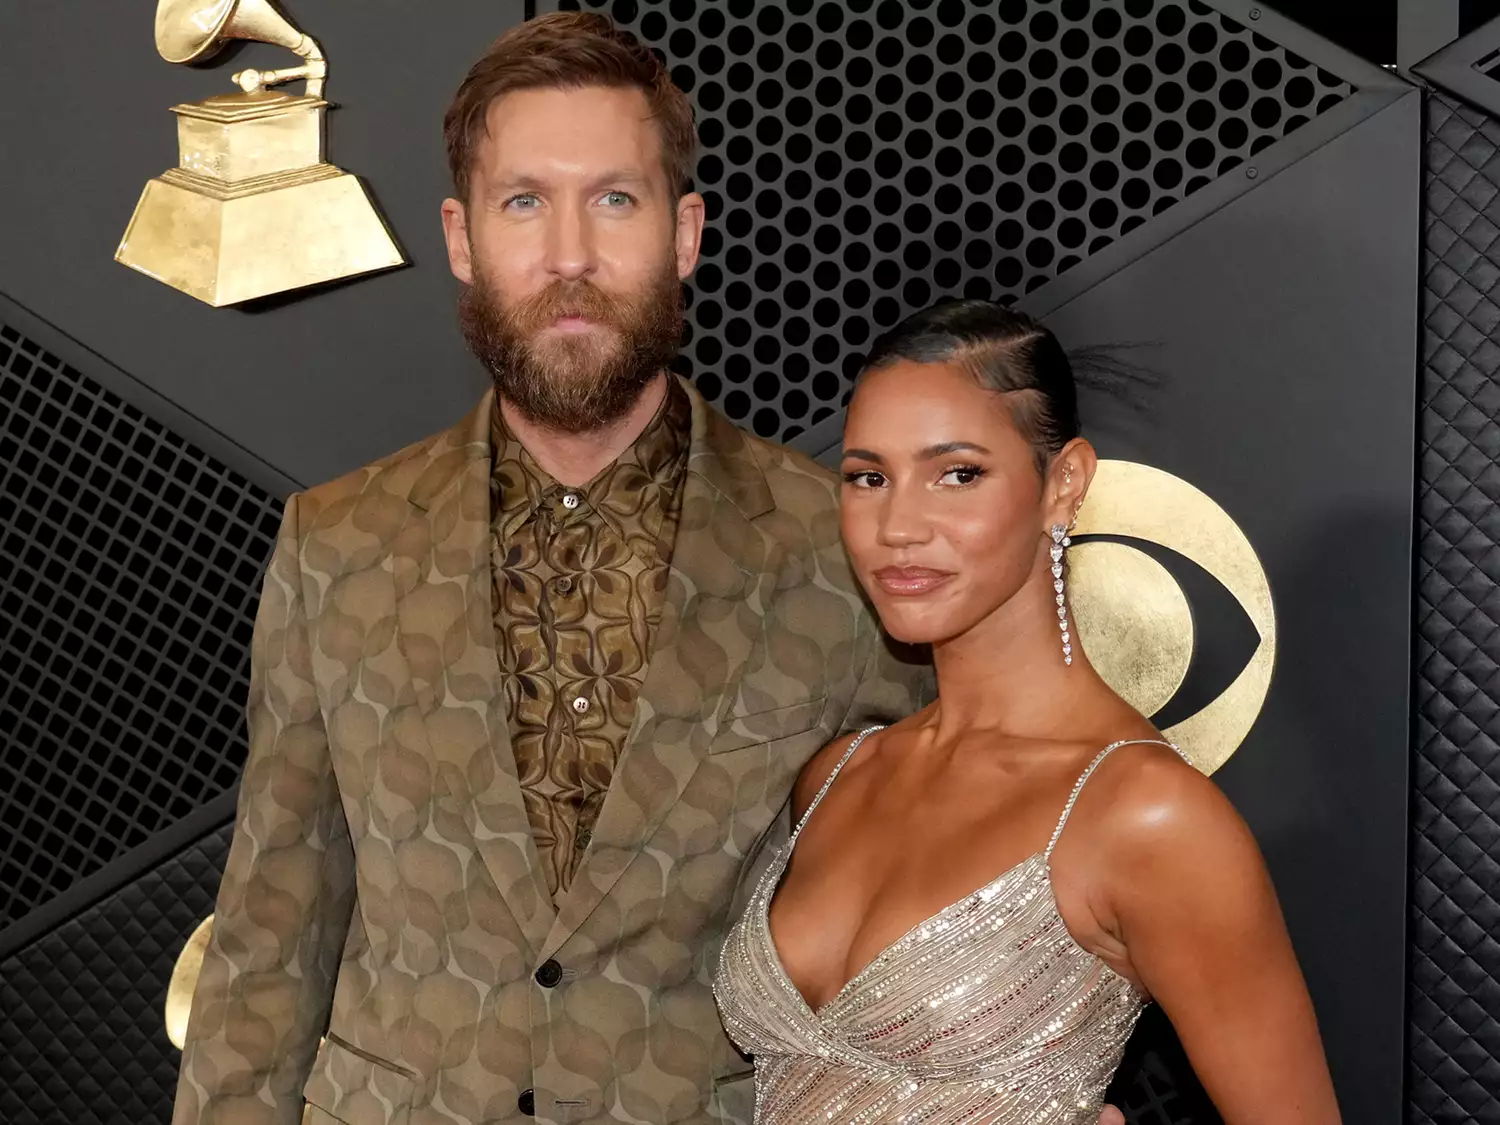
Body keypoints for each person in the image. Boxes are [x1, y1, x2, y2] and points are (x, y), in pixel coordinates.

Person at [169, 13, 927, 1125]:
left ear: (686, 234)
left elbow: (914, 933)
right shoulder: (337, 546)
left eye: (613, 199)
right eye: (524, 201)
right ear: (463, 237)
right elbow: (272, 932)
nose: (569, 254)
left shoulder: (838, 547)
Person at [714, 300, 1343, 1124]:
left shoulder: (1145, 816)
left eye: (958, 473)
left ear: (1065, 484)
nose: (898, 525)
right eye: (869, 477)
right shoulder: (838, 776)